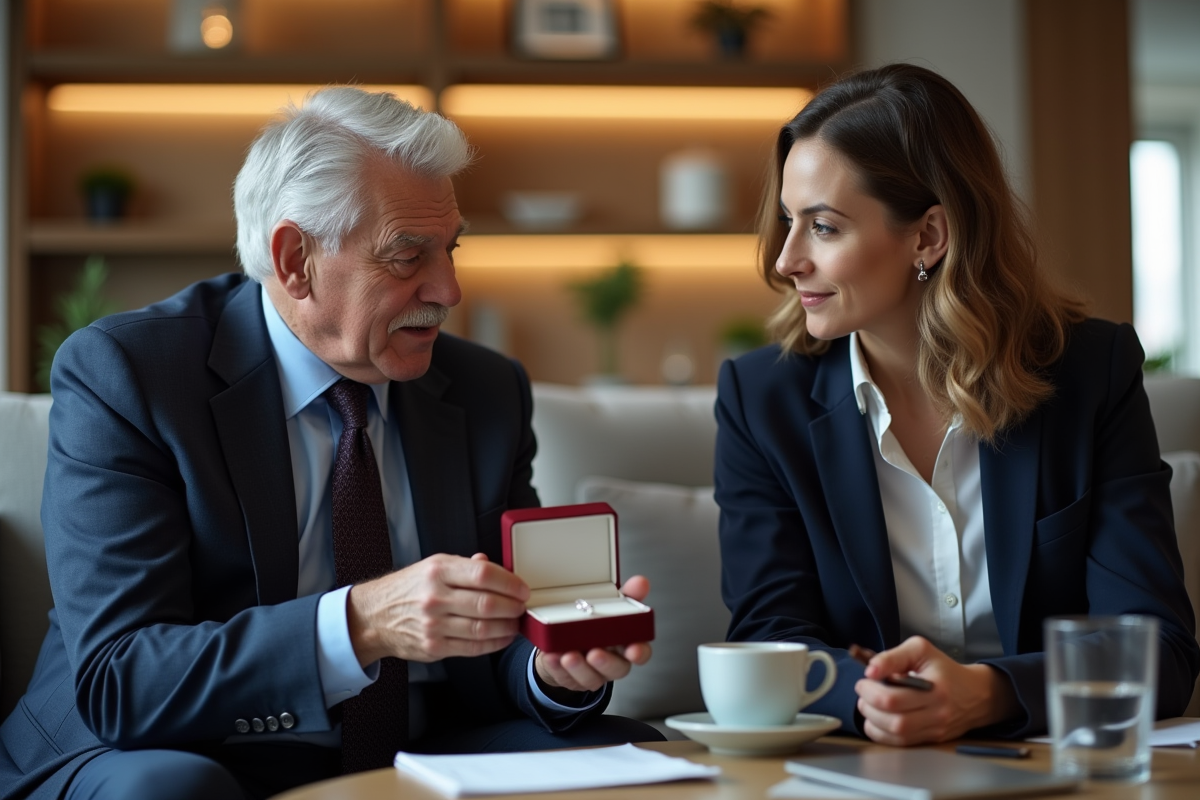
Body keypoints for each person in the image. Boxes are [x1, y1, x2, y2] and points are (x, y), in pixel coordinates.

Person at [0, 87, 659, 800]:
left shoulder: (486, 391)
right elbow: (122, 678)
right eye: (408, 257)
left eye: (451, 248)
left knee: (637, 755)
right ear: (295, 261)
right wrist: (363, 622)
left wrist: (552, 670)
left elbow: (494, 639)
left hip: (415, 745)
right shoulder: (131, 376)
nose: (450, 287)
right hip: (172, 745)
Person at [715, 63, 1199, 746]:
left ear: (929, 236)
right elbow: (770, 638)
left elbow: (1161, 649)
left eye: (822, 227)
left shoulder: (1092, 373)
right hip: (863, 771)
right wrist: (883, 702)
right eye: (790, 222)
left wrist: (992, 693)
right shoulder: (761, 399)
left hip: (1053, 769)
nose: (785, 259)